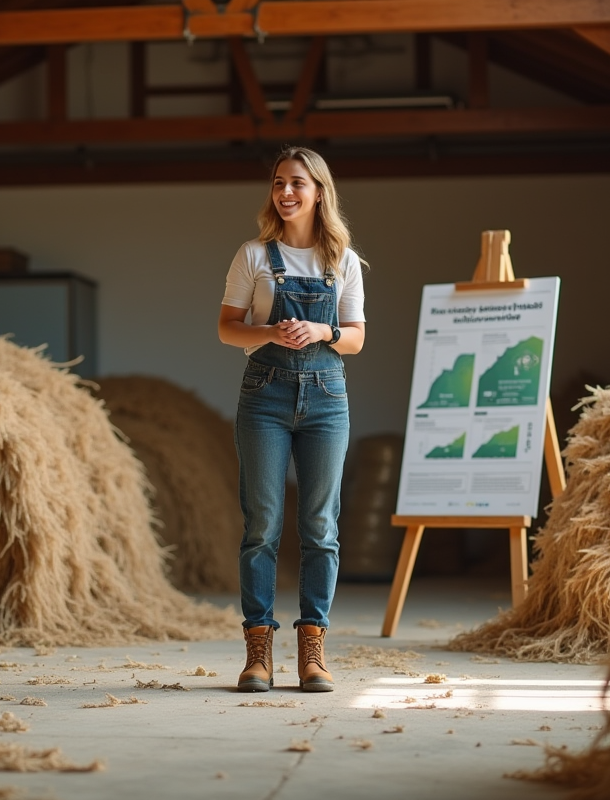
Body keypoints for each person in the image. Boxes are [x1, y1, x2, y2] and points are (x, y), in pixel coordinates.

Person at [217, 146, 366, 693]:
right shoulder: (254, 255)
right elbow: (228, 328)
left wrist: (323, 332)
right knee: (262, 526)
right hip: (265, 396)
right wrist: (269, 332)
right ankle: (259, 652)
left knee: (320, 528)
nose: (285, 192)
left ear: (319, 192)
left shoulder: (342, 260)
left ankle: (312, 653)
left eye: (297, 183)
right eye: (279, 182)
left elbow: (355, 337)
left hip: (327, 398)